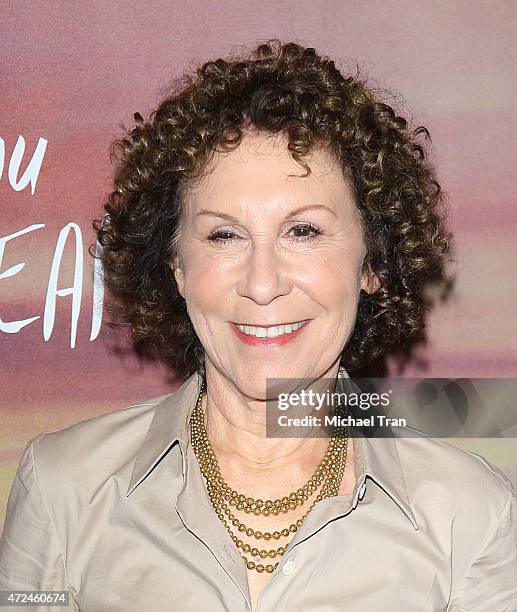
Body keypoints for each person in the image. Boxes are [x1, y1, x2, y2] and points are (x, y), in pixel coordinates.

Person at [1, 39, 516, 612]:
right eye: (225, 235)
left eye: (304, 232)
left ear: (371, 263)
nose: (263, 283)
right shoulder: (61, 487)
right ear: (176, 265)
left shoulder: (471, 517)